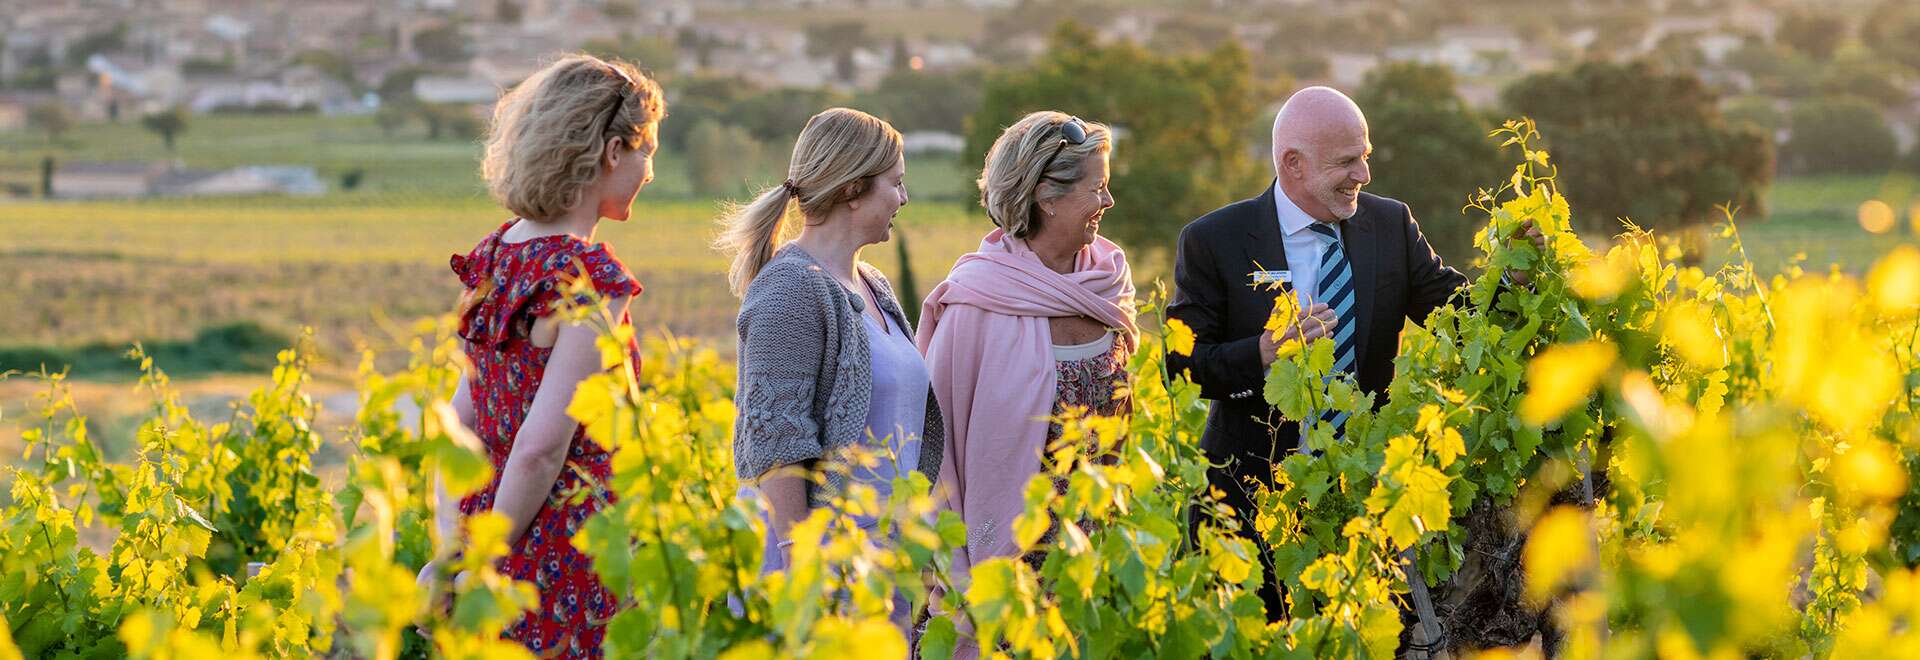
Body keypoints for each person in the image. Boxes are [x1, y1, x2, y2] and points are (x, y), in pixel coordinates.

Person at [1167, 86, 1543, 620]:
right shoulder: (1214, 240)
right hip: (1246, 500)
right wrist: (1265, 352)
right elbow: (1182, 368)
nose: (1363, 176)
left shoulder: (1389, 224)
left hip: (1366, 499)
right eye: (1346, 162)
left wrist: (1512, 283)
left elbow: (1458, 317)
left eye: (1365, 157)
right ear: (1292, 164)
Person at [426, 53, 664, 658]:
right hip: (564, 550)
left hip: (488, 536)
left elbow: (460, 426)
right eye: (647, 152)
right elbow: (540, 448)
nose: (650, 172)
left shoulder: (496, 253)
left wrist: (453, 558)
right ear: (612, 151)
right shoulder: (590, 278)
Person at [718, 108, 944, 616]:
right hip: (816, 566)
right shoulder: (790, 289)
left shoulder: (873, 285)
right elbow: (774, 435)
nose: (904, 199)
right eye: (896, 183)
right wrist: (805, 564)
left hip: (877, 561)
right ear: (852, 188)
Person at [919, 110, 1138, 610]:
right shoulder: (977, 304)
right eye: (1097, 188)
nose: (1108, 201)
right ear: (1047, 197)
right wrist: (957, 579)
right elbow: (938, 451)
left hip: (1097, 563)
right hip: (1005, 576)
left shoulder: (1108, 287)